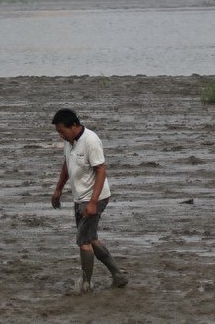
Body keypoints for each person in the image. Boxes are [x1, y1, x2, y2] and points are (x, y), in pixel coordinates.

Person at [51, 108, 128, 293]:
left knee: (82, 240)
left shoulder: (91, 140)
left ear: (74, 125)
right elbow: (67, 164)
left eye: (62, 131)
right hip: (80, 198)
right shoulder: (70, 142)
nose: (60, 135)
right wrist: (58, 189)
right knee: (91, 239)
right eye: (58, 132)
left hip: (94, 197)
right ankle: (118, 275)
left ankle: (85, 285)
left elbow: (101, 170)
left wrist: (93, 202)